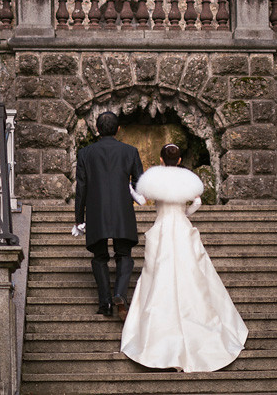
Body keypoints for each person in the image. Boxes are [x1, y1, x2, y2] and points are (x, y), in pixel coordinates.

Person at [120, 144, 248, 372]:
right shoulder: (187, 178)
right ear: (179, 160)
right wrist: (183, 214)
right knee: (193, 275)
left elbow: (141, 200)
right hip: (181, 226)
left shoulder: (154, 178)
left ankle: (155, 340)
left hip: (161, 228)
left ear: (161, 159)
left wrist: (129, 188)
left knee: (158, 276)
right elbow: (197, 202)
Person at [74, 111, 144, 320]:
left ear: (97, 129)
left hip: (96, 211)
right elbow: (140, 182)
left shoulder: (85, 153)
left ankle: (105, 303)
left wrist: (79, 218)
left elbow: (81, 188)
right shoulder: (130, 151)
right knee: (124, 255)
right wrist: (130, 190)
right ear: (118, 129)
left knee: (99, 257)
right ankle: (120, 293)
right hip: (122, 210)